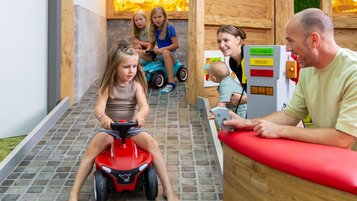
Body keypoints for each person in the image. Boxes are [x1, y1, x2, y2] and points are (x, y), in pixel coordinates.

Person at [223, 8, 357, 149]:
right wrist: (248, 123)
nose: (287, 49)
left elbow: (343, 138)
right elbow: (291, 114)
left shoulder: (352, 72)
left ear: (314, 40)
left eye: (290, 41)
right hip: (332, 161)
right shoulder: (308, 69)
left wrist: (279, 130)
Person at [69, 39, 180, 201]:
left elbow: (144, 106)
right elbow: (99, 108)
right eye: (126, 67)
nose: (131, 71)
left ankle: (168, 190)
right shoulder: (107, 86)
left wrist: (140, 116)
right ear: (114, 67)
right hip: (111, 128)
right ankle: (74, 192)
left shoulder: (136, 85)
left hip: (132, 128)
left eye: (134, 66)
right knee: (92, 149)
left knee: (152, 144)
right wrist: (103, 118)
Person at [139, 6, 179, 93]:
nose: (157, 19)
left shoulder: (169, 28)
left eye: (159, 17)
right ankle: (137, 77)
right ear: (152, 19)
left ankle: (171, 83)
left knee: (165, 52)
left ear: (164, 17)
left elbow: (176, 45)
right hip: (160, 56)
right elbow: (152, 43)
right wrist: (148, 50)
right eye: (155, 17)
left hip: (170, 55)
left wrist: (163, 49)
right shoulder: (153, 29)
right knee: (137, 51)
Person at [216, 25, 248, 106]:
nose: (222, 45)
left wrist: (243, 99)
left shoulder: (249, 57)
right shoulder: (232, 62)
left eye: (226, 40)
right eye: (219, 41)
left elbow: (264, 93)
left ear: (238, 40)